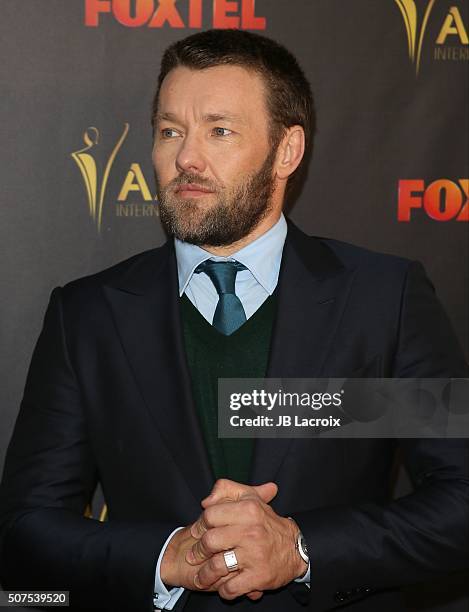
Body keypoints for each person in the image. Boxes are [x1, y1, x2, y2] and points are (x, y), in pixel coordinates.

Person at [0, 29, 468, 612]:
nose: (186, 158)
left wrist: (301, 550)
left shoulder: (381, 301)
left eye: (219, 131)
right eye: (170, 131)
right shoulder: (89, 315)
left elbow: (460, 499)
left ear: (287, 151)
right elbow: (26, 524)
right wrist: (166, 558)